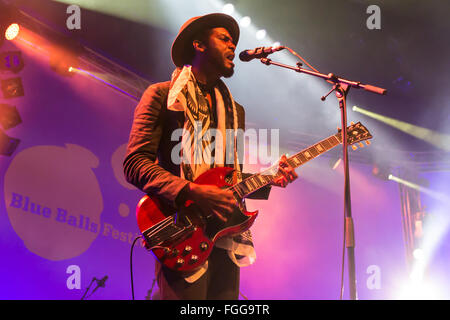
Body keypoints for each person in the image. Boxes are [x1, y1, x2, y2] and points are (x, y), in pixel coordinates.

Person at [123, 13, 297, 300]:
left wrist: (270, 178)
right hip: (182, 230)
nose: (233, 46)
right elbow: (134, 163)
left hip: (224, 234)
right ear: (199, 45)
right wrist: (193, 191)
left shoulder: (233, 110)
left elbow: (228, 181)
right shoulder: (162, 96)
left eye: (234, 42)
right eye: (225, 39)